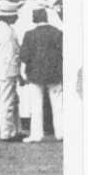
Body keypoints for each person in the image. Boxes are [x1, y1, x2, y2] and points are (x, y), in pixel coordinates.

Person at [20, 8, 63, 143]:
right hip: (55, 73)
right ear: (46, 18)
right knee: (58, 104)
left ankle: (36, 135)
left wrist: (25, 71)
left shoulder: (29, 35)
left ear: (35, 19)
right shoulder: (57, 33)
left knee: (36, 104)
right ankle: (61, 133)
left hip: (35, 74)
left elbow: (24, 56)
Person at [0, 0, 24, 142]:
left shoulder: (1, 28)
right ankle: (7, 132)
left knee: (11, 101)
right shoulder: (6, 31)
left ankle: (13, 130)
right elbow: (11, 55)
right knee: (8, 101)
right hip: (7, 70)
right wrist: (18, 73)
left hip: (3, 69)